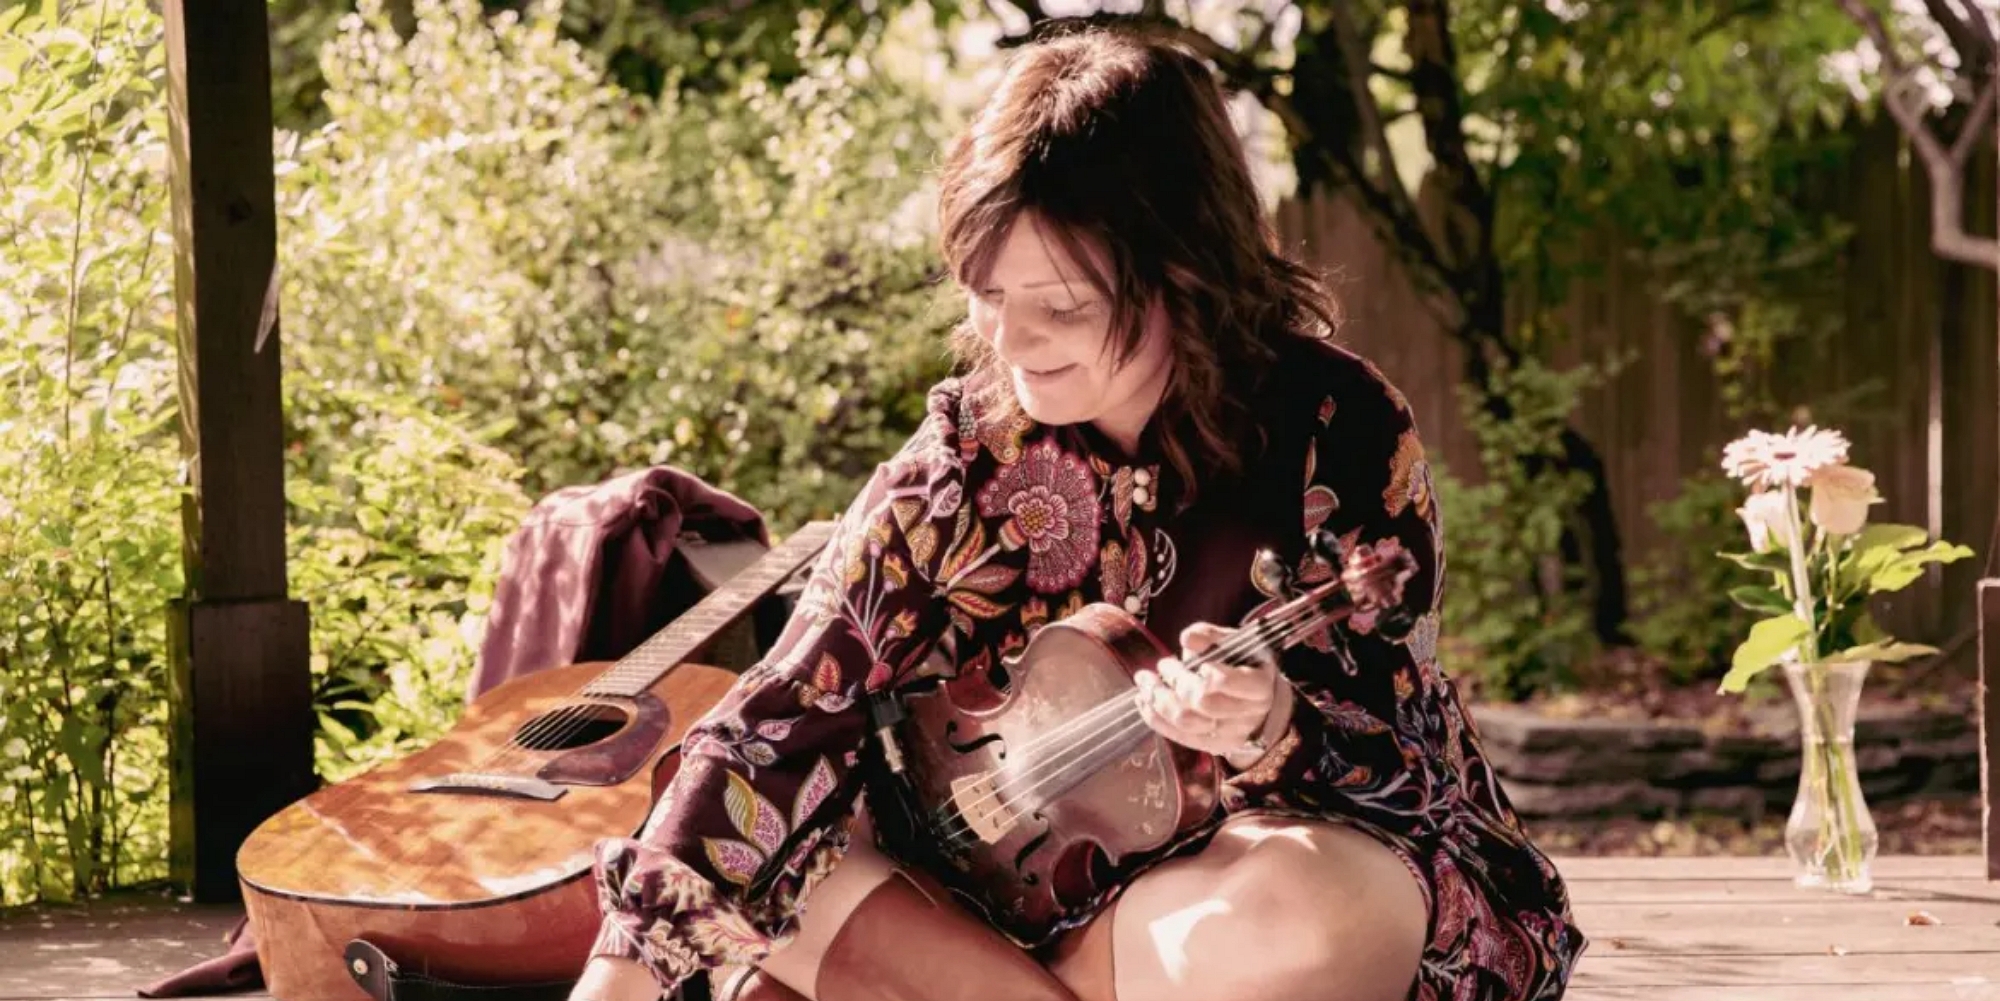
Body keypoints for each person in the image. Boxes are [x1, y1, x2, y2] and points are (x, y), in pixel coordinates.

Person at [570, 25, 1586, 1001]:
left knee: (1309, 918)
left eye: (1061, 306)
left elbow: (1404, 768)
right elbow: (776, 719)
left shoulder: (1335, 422)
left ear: (1186, 272)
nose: (1011, 343)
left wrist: (1270, 725)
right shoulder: (962, 453)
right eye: (986, 294)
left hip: (1206, 902)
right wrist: (619, 974)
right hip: (984, 891)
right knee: (754, 845)